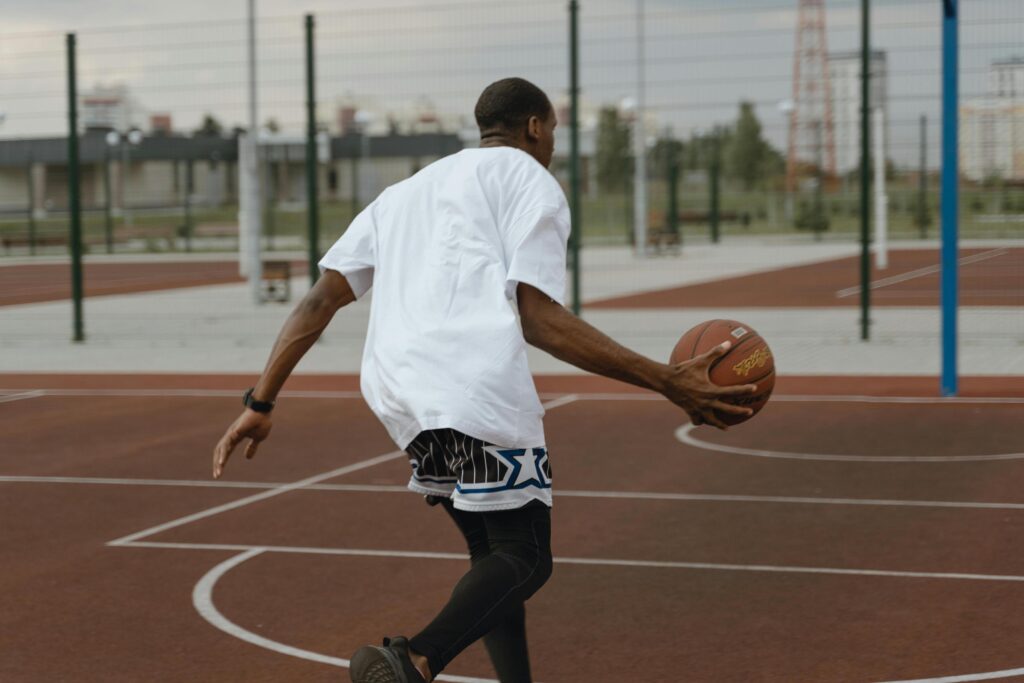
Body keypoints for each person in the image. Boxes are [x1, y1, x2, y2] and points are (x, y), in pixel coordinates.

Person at [212, 77, 755, 683]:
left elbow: (317, 301)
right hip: (473, 388)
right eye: (553, 131)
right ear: (536, 127)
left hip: (400, 393)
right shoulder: (531, 183)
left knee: (492, 557)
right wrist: (665, 379)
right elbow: (540, 318)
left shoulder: (404, 192)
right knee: (526, 559)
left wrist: (260, 399)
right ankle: (411, 660)